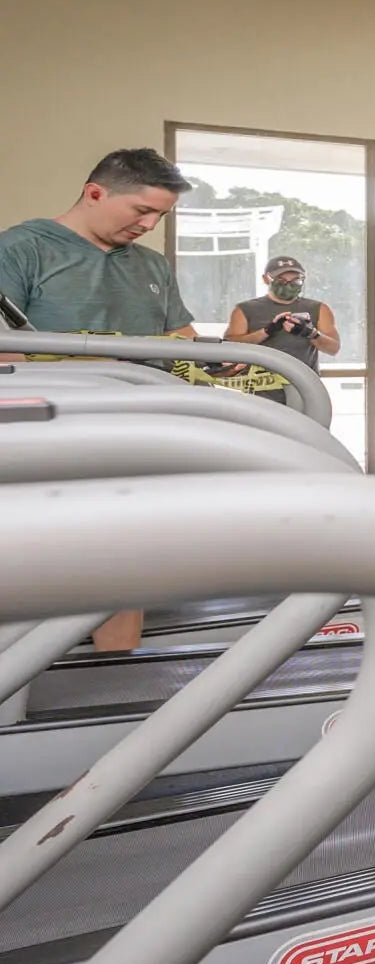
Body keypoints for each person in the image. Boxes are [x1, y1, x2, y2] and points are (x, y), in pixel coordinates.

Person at [0, 148, 198, 652]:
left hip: (138, 428)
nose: (149, 225)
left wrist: (215, 363)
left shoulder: (152, 264)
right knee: (52, 560)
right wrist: (91, 365)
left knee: (124, 557)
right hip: (49, 431)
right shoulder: (20, 249)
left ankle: (117, 670)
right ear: (95, 193)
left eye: (160, 216)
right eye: (142, 210)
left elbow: (182, 337)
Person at [224, 253, 338, 401]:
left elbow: (333, 348)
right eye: (281, 280)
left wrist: (310, 333)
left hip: (304, 389)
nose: (288, 285)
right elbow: (229, 347)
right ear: (266, 279)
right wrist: (267, 331)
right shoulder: (245, 309)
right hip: (260, 391)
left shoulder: (318, 308)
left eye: (295, 280)